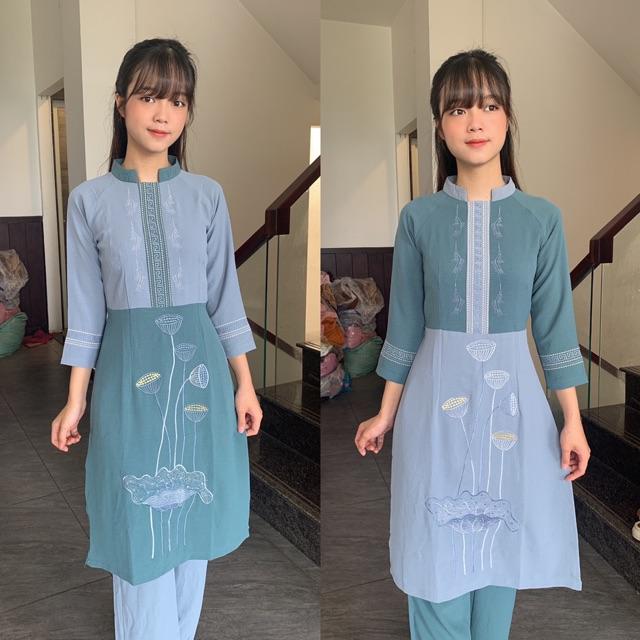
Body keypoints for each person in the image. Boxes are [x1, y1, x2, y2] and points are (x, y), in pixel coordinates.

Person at [355, 49, 591, 640]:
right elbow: (405, 324)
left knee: (499, 550)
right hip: (434, 408)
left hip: (514, 409)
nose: (475, 121)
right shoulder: (418, 219)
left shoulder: (542, 219)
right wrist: (385, 412)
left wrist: (572, 420)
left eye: (487, 106)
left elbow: (555, 327)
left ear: (508, 117)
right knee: (435, 555)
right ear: (440, 126)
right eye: (458, 109)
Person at [50, 38, 262, 639]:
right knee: (136, 525)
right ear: (121, 103)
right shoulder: (88, 202)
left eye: (178, 100)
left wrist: (245, 385)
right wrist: (76, 399)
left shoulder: (207, 195)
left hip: (202, 383)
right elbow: (87, 312)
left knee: (192, 523)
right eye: (149, 97)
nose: (163, 113)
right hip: (127, 382)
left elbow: (224, 299)